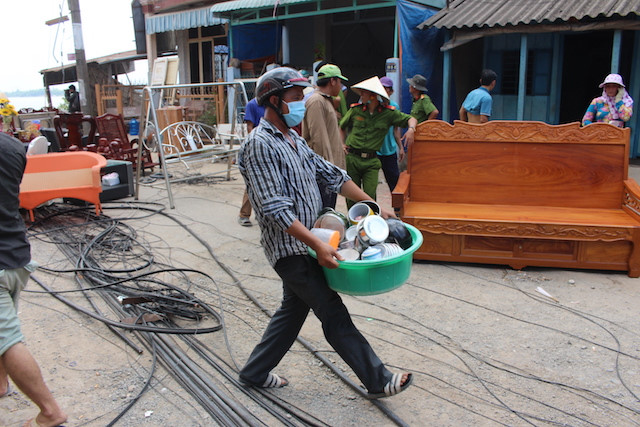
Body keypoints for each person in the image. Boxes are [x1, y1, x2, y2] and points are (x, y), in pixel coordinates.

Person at [237, 67, 412, 398]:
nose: (302, 102)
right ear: (274, 101)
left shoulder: (293, 139)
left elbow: (332, 175)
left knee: (292, 313)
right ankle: (378, 379)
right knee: (331, 310)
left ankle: (254, 373)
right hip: (292, 249)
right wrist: (316, 243)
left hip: (310, 243)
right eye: (295, 97)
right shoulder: (259, 145)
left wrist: (374, 205)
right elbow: (275, 210)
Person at [0, 133, 67, 427]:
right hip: (16, 254)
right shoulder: (13, 147)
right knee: (4, 329)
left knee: (8, 339)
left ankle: (50, 412)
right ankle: (1, 383)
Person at [340, 76, 417, 208]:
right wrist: (341, 143)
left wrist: (411, 129)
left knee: (369, 195)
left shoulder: (388, 114)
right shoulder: (355, 110)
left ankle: (369, 224)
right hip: (352, 158)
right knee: (351, 196)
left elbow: (411, 119)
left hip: (371, 161)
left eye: (364, 92)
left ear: (373, 96)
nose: (361, 95)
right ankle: (352, 224)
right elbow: (342, 126)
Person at [302, 64, 349, 209]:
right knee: (323, 215)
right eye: (340, 82)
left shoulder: (326, 100)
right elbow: (319, 139)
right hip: (324, 172)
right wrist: (328, 171)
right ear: (333, 81)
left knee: (329, 211)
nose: (341, 87)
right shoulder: (316, 101)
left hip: (330, 170)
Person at [238, 97, 266, 227]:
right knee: (253, 182)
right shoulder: (252, 105)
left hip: (271, 146)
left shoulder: (274, 103)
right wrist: (255, 143)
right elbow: (250, 127)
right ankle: (244, 214)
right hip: (257, 146)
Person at [377, 77, 404, 193]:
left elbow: (395, 129)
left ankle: (397, 209)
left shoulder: (394, 107)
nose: (384, 91)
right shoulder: (371, 105)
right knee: (371, 183)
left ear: (391, 91)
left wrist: (401, 147)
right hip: (375, 150)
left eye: (386, 89)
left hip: (389, 150)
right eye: (381, 88)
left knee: (394, 181)